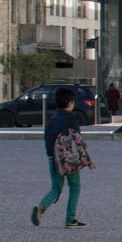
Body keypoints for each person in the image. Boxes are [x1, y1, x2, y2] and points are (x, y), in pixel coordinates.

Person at [30, 86, 92, 229]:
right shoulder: (72, 119)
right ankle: (70, 219)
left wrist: (51, 157)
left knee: (56, 188)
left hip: (54, 160)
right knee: (75, 187)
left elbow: (48, 140)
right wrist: (87, 161)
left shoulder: (51, 120)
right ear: (70, 103)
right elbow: (78, 142)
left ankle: (40, 207)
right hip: (70, 160)